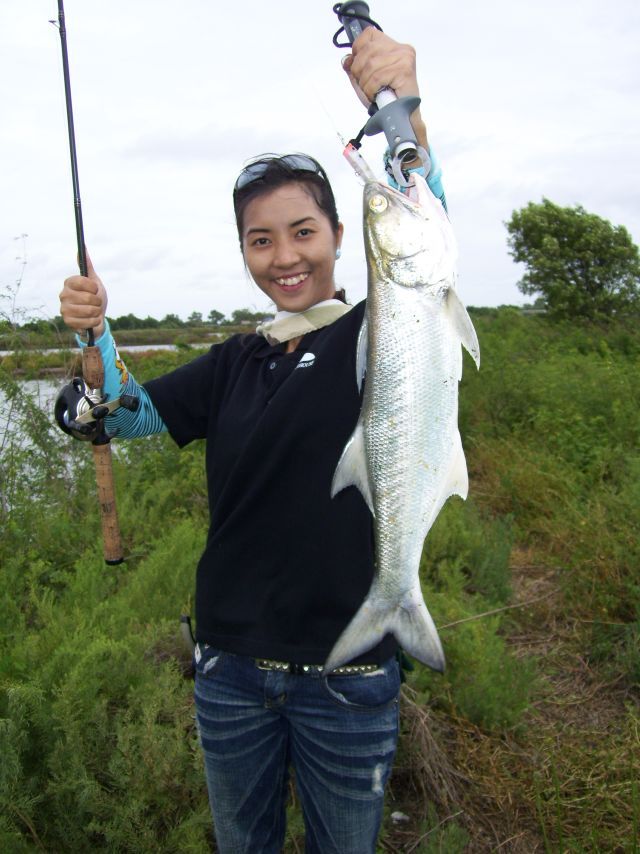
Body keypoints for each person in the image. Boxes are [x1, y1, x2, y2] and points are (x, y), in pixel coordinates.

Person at [59, 29, 446, 854]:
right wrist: (98, 352)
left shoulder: (384, 332)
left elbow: (420, 229)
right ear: (243, 252)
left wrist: (399, 111)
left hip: (349, 678)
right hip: (230, 673)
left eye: (303, 232)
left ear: (342, 235)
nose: (284, 257)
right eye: (260, 240)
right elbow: (124, 414)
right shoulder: (235, 360)